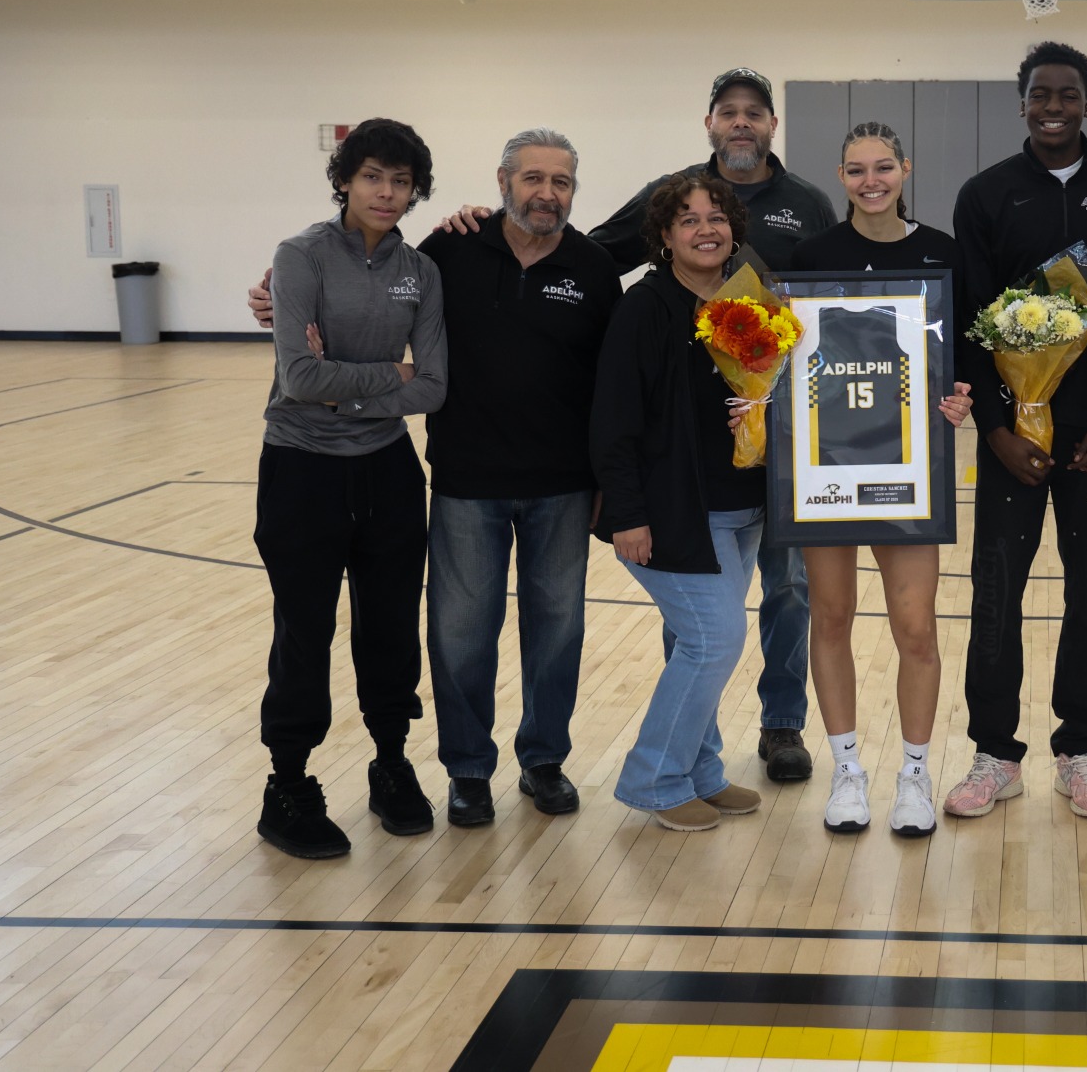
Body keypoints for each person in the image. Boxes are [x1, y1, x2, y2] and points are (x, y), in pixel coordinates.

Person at [443, 68, 836, 782]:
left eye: (755, 113)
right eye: (728, 112)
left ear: (772, 125)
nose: (741, 123)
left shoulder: (806, 203)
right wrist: (479, 224)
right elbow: (583, 253)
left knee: (784, 595)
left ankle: (769, 732)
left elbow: (836, 296)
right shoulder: (648, 287)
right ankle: (667, 768)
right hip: (677, 482)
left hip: (767, 475)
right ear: (709, 123)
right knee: (707, 632)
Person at [247, 133, 621, 828]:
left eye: (561, 181)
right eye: (532, 177)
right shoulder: (439, 250)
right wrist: (380, 375)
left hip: (527, 481)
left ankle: (512, 760)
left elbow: (446, 386)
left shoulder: (577, 268)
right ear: (503, 181)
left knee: (534, 631)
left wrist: (343, 388)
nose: (547, 192)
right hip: (434, 478)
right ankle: (443, 771)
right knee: (440, 634)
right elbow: (316, 373)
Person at [946, 42, 1087, 820]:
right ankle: (994, 751)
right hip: (1013, 444)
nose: (1054, 105)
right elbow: (971, 322)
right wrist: (994, 429)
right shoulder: (987, 193)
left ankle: (1081, 750)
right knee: (995, 593)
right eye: (1041, 93)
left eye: (1068, 92)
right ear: (1023, 101)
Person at [254, 118, 448, 859]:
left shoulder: (420, 271)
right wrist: (385, 378)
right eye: (373, 176)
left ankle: (392, 763)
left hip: (389, 471)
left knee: (393, 626)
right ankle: (289, 785)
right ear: (344, 179)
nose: (388, 193)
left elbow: (431, 386)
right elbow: (299, 380)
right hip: (301, 469)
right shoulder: (300, 255)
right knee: (303, 629)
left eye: (401, 181)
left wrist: (348, 390)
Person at [784, 122, 973, 837]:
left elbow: (959, 354)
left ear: (906, 168)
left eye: (884, 167)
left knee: (915, 626)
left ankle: (916, 774)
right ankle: (848, 773)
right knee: (830, 618)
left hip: (908, 468)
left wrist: (961, 397)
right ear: (839, 175)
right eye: (857, 169)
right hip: (827, 469)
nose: (872, 180)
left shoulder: (942, 253)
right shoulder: (812, 255)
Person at [591, 173, 768, 831]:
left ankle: (703, 771)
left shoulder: (746, 300)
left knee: (694, 645)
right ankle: (657, 779)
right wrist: (629, 516)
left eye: (716, 216)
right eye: (688, 219)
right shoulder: (645, 307)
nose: (705, 229)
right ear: (663, 237)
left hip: (741, 508)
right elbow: (613, 419)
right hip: (670, 515)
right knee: (713, 640)